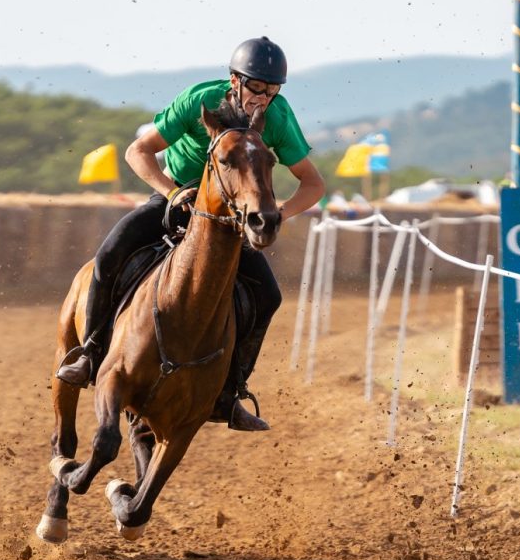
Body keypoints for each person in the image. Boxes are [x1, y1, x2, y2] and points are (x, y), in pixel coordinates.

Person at [56, 37, 325, 430]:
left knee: (269, 295)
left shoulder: (278, 119)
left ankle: (230, 393)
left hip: (228, 221)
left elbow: (313, 184)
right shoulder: (199, 98)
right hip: (174, 199)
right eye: (256, 88)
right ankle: (90, 354)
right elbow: (138, 152)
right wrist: (171, 191)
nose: (263, 99)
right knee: (110, 255)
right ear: (235, 80)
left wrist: (278, 212)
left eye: (272, 91)